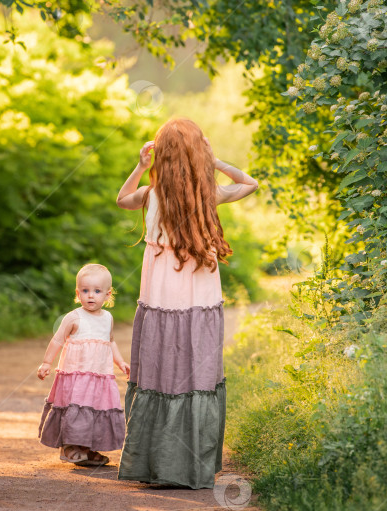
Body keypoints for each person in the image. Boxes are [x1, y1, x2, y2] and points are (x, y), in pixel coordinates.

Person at [115, 117, 258, 489]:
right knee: (195, 373)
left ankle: (156, 464)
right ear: (198, 154)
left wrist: (141, 165)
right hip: (200, 304)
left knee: (161, 371)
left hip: (159, 300)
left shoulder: (151, 195)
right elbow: (251, 184)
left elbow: (120, 199)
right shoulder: (208, 194)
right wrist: (214, 161)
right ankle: (190, 465)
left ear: (160, 155)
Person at [37, 264, 130, 465]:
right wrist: (46, 363)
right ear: (78, 293)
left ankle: (88, 448)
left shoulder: (108, 318)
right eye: (85, 291)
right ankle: (70, 446)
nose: (90, 296)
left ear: (107, 294)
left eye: (97, 291)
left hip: (99, 377)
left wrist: (120, 361)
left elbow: (110, 341)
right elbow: (57, 340)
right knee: (77, 408)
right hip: (76, 377)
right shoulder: (74, 317)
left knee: (95, 408)